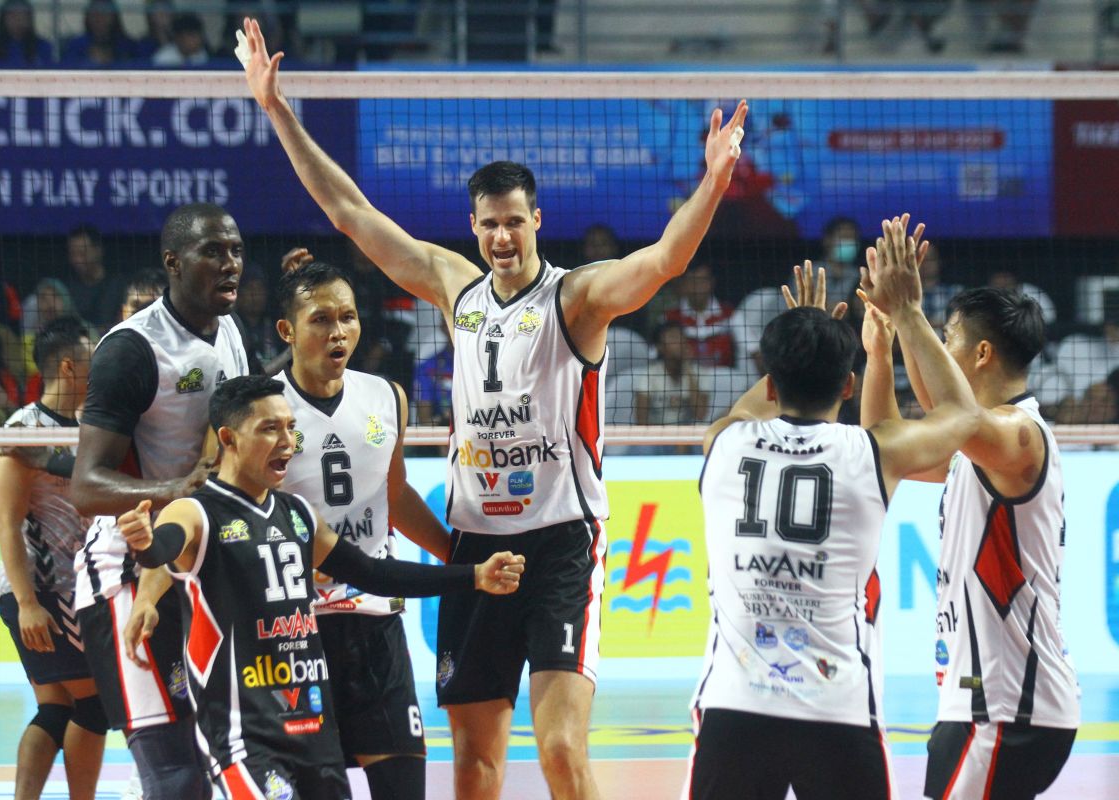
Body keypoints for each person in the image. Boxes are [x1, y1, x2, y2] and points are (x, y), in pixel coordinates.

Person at [241, 17, 748, 798]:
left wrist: (713, 183)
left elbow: (664, 261)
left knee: (560, 750)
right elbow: (351, 214)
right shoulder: (457, 290)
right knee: (475, 763)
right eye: (490, 224)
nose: (503, 236)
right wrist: (277, 110)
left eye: (515, 221)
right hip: (475, 546)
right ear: (473, 228)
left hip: (561, 544)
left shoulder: (576, 299)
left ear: (536, 220)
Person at [116, 374, 524, 800]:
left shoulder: (297, 513)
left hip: (312, 733)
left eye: (290, 427)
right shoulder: (196, 511)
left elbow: (372, 573)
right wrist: (146, 544)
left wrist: (473, 575)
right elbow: (164, 547)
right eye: (270, 429)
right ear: (228, 438)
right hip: (245, 738)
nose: (287, 442)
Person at [689, 220, 980, 799]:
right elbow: (964, 415)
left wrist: (802, 333)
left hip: (733, 708)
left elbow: (754, 404)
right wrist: (907, 314)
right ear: (848, 387)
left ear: (772, 383)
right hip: (838, 711)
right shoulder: (873, 453)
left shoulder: (723, 442)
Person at [862, 265, 1079, 799]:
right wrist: (881, 350)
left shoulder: (1019, 435)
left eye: (948, 337)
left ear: (981, 354)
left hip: (1007, 706)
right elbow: (884, 441)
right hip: (987, 705)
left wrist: (909, 314)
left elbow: (951, 412)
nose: (939, 346)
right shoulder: (975, 448)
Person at [70, 202, 252, 800]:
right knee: (173, 774)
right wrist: (173, 491)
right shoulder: (132, 348)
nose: (230, 264)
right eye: (212, 252)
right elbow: (86, 485)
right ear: (173, 263)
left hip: (198, 571)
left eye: (235, 251)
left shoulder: (231, 330)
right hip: (127, 572)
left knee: (214, 764)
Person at [271, 261, 453, 798]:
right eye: (320, 319)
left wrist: (456, 556)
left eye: (347, 317)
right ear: (287, 330)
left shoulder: (386, 396)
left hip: (377, 628)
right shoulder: (262, 407)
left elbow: (394, 495)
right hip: (296, 632)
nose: (338, 332)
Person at [0, 316, 108, 800]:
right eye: (92, 360)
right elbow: (7, 522)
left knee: (57, 711)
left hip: (73, 590)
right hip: (44, 592)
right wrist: (27, 603)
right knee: (97, 707)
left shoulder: (91, 426)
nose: (101, 368)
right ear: (67, 366)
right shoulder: (22, 430)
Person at [64, 225, 128, 331]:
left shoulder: (119, 286)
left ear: (98, 250)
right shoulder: (66, 289)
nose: (77, 260)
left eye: (82, 253)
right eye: (73, 254)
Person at [60, 0, 140, 67]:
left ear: (114, 17)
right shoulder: (76, 45)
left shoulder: (128, 46)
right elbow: (68, 70)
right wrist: (90, 61)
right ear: (87, 17)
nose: (99, 19)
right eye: (95, 14)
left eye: (104, 13)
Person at [0, 0, 52, 66]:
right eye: (13, 16)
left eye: (23, 17)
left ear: (30, 20)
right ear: (3, 20)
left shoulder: (43, 47)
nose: (18, 21)